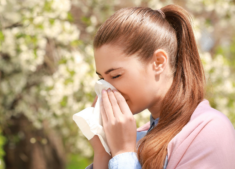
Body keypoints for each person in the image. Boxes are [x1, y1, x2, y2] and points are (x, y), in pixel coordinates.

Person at [85, 4, 235, 169]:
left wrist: (123, 153)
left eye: (116, 76)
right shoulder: (139, 137)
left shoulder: (208, 131)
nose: (106, 89)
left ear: (158, 62)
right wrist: (103, 152)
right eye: (101, 79)